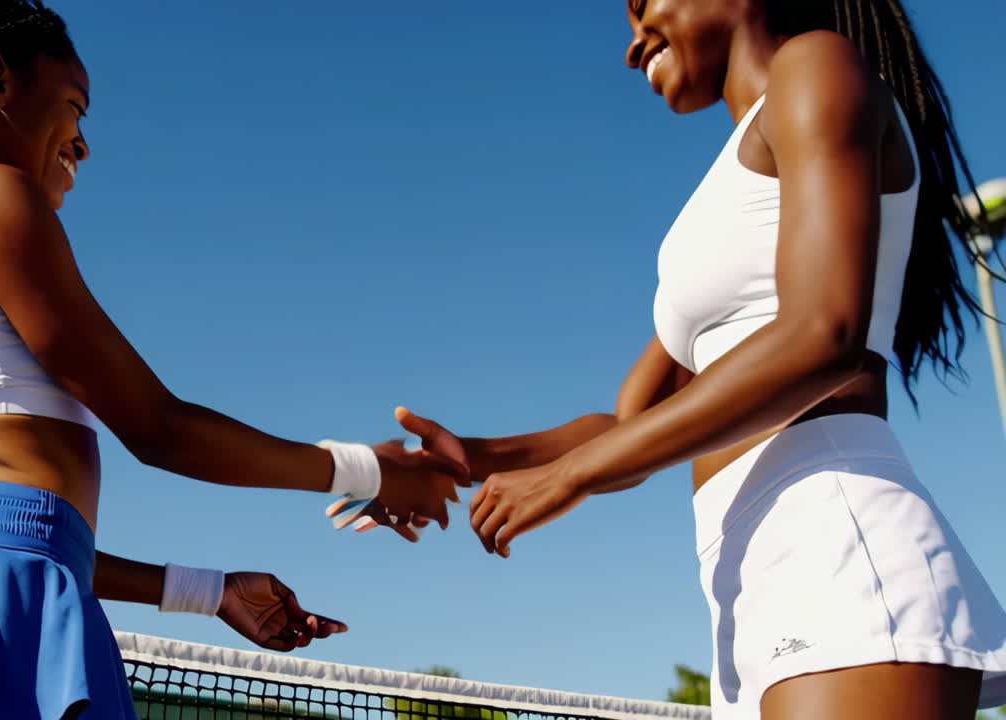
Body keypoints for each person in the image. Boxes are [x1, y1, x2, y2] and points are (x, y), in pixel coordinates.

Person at [0, 1, 462, 717]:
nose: (81, 141)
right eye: (74, 106)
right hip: (4, 616)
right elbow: (157, 427)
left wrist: (209, 592)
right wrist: (369, 471)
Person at [389, 0, 1006, 717]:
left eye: (643, 5)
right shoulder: (720, 199)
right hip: (743, 587)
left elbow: (823, 335)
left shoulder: (815, 66)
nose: (630, 45)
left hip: (834, 539)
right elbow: (633, 426)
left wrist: (570, 476)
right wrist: (476, 455)